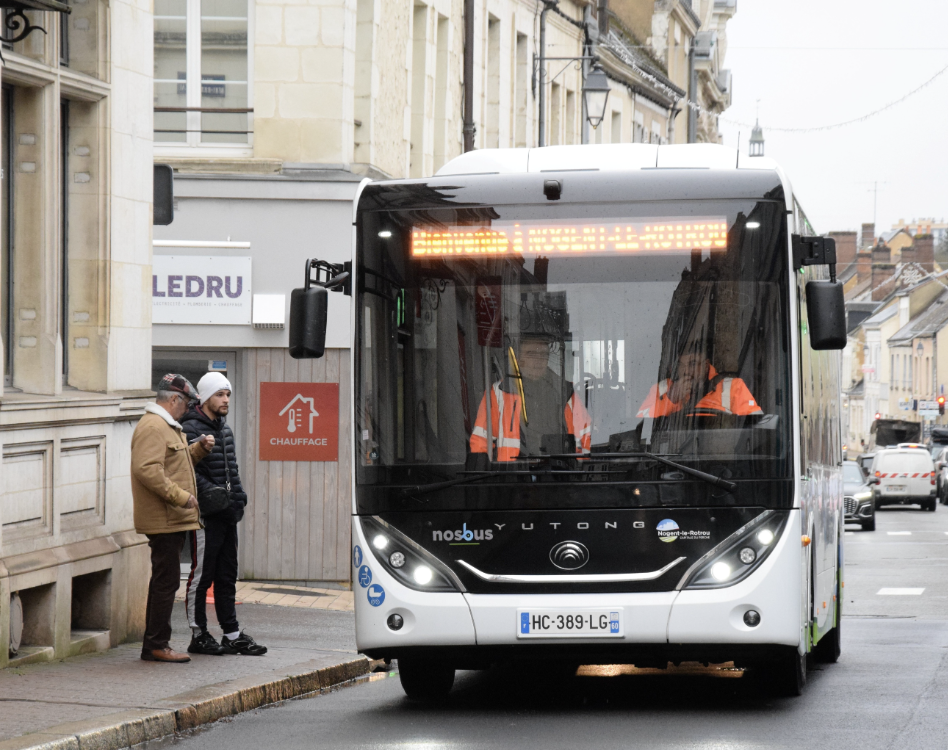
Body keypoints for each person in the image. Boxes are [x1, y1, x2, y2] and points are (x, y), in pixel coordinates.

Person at [181, 372, 267, 656]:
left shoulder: (224, 430)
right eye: (219, 394)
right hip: (206, 515)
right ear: (206, 397)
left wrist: (238, 497)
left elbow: (232, 470)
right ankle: (199, 634)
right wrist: (214, 496)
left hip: (228, 513)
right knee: (201, 576)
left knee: (227, 575)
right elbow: (187, 472)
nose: (226, 399)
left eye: (228, 394)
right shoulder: (190, 428)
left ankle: (231, 634)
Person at [131, 374, 213, 663]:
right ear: (174, 399)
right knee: (165, 583)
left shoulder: (164, 426)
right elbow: (147, 470)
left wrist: (198, 450)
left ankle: (156, 644)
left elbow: (174, 464)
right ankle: (156, 645)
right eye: (187, 403)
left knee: (165, 582)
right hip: (164, 518)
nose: (188, 409)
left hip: (169, 518)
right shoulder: (154, 427)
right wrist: (181, 497)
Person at [470, 334, 591, 460]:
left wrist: (578, 470)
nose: (538, 360)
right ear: (518, 358)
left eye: (543, 354)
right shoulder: (499, 392)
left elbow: (585, 441)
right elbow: (481, 441)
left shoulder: (567, 392)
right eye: (531, 354)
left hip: (560, 470)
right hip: (512, 471)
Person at [636, 349, 763, 419]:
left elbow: (753, 426)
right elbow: (643, 424)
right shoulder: (662, 388)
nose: (686, 371)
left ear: (706, 365)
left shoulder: (732, 387)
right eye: (681, 365)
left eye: (692, 364)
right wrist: (670, 400)